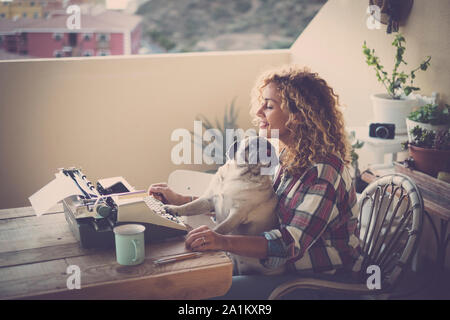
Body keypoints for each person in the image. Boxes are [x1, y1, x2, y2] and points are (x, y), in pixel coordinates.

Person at [149, 66, 362, 299]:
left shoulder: (324, 171)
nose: (259, 111)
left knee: (203, 291)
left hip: (317, 284)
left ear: (298, 115)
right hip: (278, 272)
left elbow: (288, 244)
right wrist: (181, 201)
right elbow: (247, 207)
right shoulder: (287, 158)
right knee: (189, 279)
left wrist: (222, 241)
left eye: (269, 106)